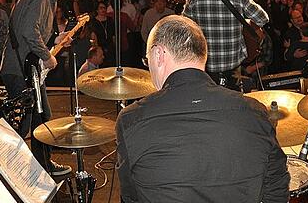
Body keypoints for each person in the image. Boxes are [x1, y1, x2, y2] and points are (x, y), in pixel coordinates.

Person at [115, 15, 289, 203]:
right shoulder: (255, 112)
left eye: (147, 59)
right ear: (203, 55)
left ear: (158, 54)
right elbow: (276, 188)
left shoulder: (131, 120)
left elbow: (130, 196)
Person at [0, 0, 74, 176]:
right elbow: (27, 31)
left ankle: (42, 165)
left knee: (40, 118)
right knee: (25, 122)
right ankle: (5, 165)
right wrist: (47, 55)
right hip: (19, 69)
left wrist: (55, 40)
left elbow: (34, 31)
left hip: (25, 69)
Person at [183, 0, 269, 91]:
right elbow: (263, 19)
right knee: (233, 100)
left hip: (206, 64)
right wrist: (244, 22)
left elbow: (185, 27)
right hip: (233, 65)